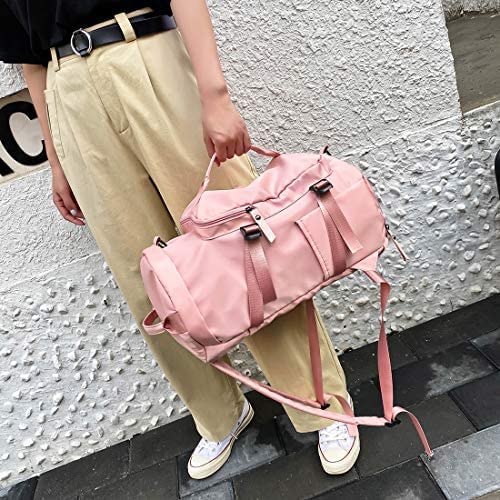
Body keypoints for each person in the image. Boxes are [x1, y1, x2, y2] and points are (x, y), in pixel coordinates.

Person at [0, 0, 359, 480]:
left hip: (147, 53)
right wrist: (58, 163)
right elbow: (28, 57)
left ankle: (321, 403)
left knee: (240, 246)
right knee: (146, 278)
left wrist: (216, 96)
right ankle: (219, 415)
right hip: (69, 94)